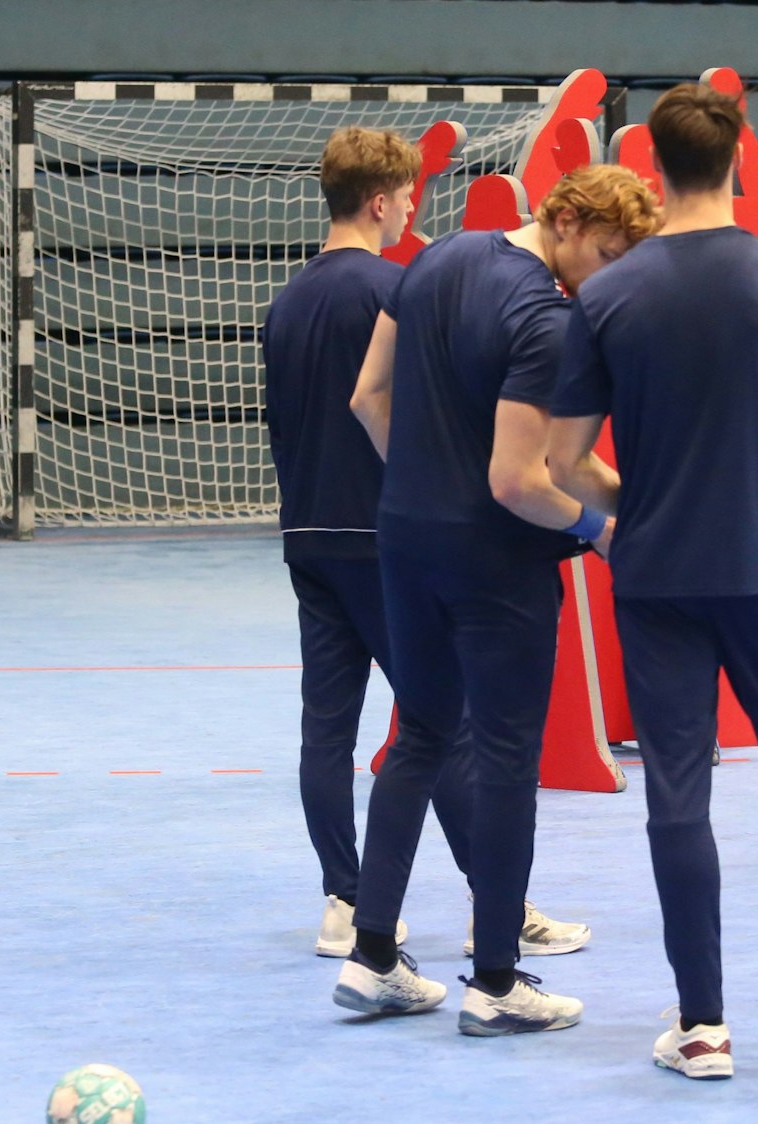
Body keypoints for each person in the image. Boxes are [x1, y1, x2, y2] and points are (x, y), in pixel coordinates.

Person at [548, 83, 758, 1079]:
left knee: (678, 796)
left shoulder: (608, 296)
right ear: (740, 160)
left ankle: (702, 1025)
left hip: (655, 575)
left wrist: (644, 501)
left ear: (652, 166)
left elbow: (568, 463)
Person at [327, 163, 659, 1033]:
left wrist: (425, 485)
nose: (613, 273)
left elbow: (367, 398)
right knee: (509, 760)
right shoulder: (546, 322)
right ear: (571, 219)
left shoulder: (430, 260)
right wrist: (603, 530)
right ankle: (499, 981)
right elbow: (522, 484)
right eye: (612, 253)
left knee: (421, 736)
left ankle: (372, 961)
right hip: (496, 564)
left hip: (404, 535)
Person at [263, 127, 585, 963]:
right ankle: (499, 906)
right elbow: (384, 405)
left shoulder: (287, 300)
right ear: (381, 201)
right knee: (443, 730)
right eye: (408, 196)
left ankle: (344, 898)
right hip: (386, 534)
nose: (414, 208)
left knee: (327, 727)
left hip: (307, 533)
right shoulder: (396, 285)